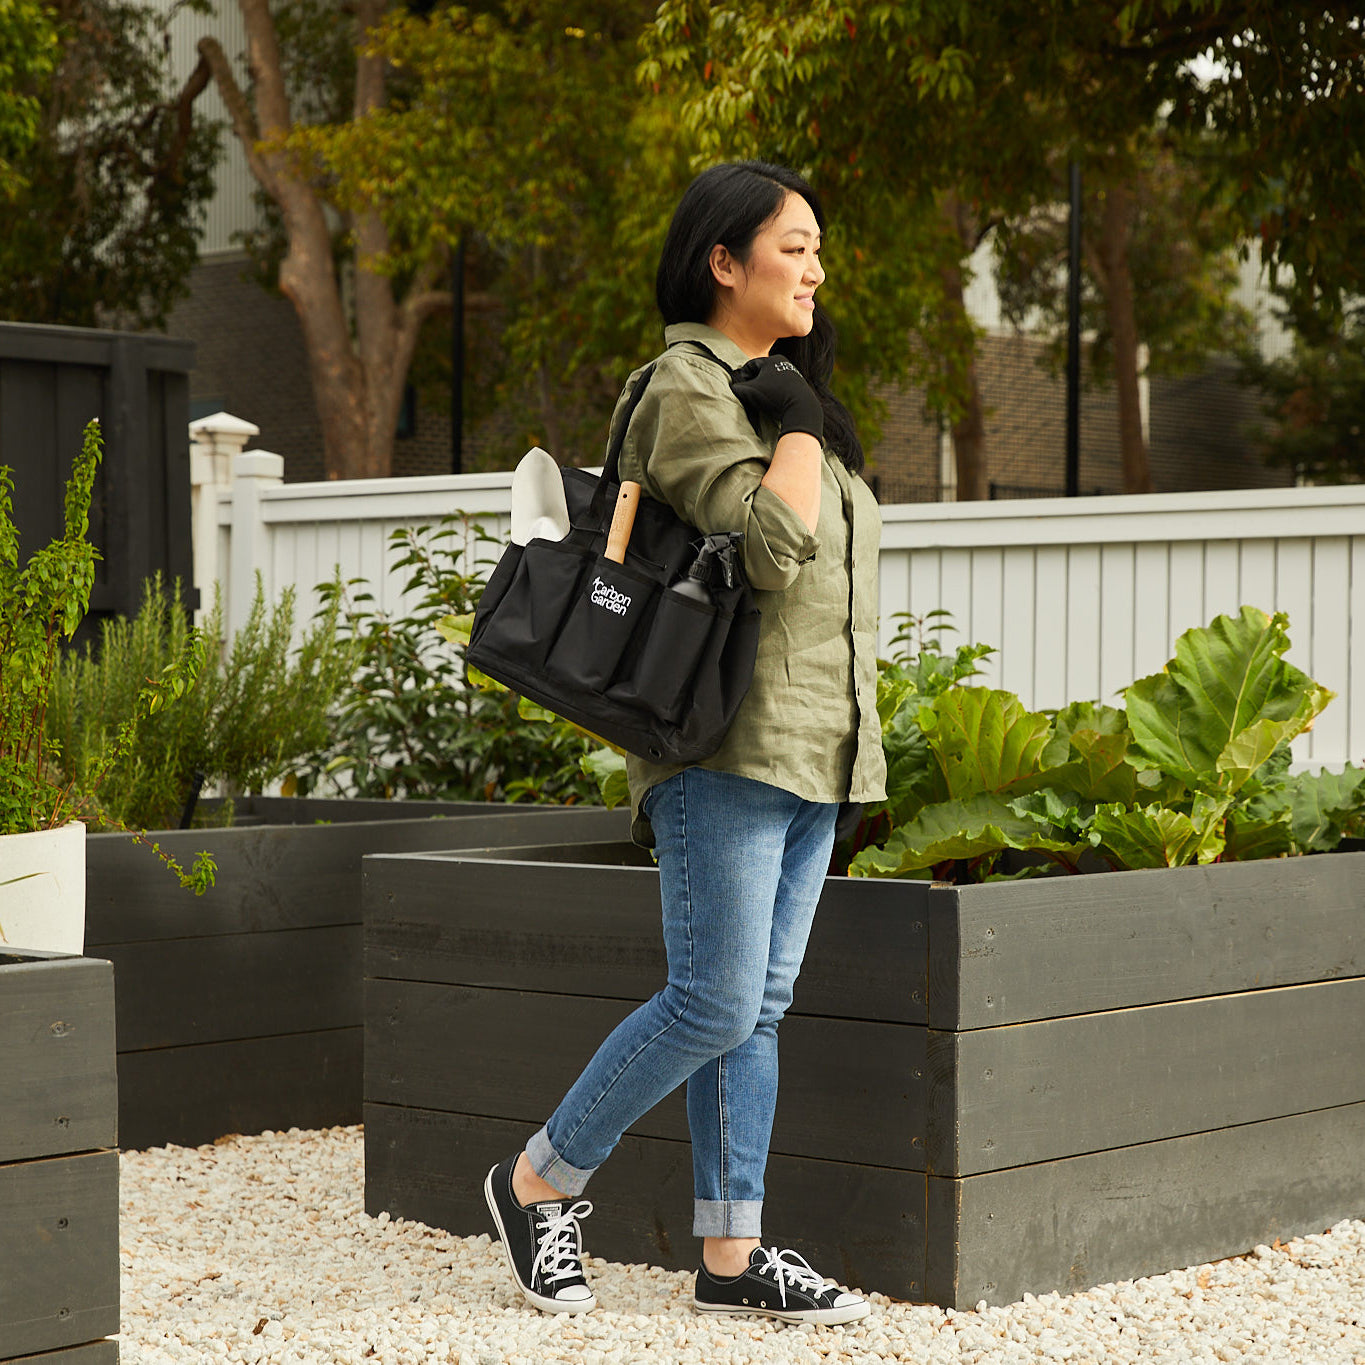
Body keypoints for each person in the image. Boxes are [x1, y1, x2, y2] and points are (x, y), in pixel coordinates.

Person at [483, 160, 886, 1325]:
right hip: (724, 744)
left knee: (756, 1009)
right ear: (725, 260)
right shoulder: (688, 387)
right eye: (793, 247)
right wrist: (801, 424)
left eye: (818, 249)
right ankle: (539, 1179)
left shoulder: (776, 390)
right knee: (713, 1002)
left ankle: (730, 1255)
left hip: (817, 743)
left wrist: (801, 410)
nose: (815, 269)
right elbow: (769, 548)